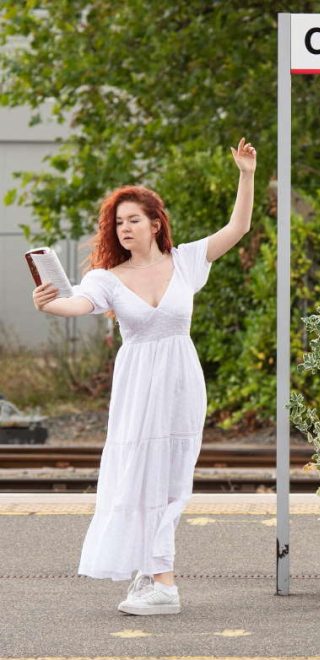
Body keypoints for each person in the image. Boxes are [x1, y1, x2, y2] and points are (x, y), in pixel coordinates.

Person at [31, 138, 257, 615]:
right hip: (137, 386)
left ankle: (162, 581)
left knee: (172, 477)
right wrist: (50, 302)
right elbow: (77, 304)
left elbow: (238, 227)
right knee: (136, 476)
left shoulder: (187, 261)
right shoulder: (106, 277)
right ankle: (155, 575)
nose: (125, 227)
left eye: (134, 219)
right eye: (118, 222)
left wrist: (246, 174)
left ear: (156, 223)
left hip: (180, 381)